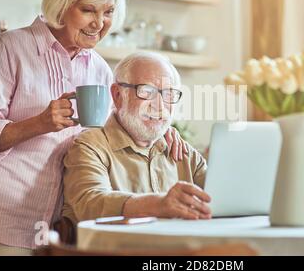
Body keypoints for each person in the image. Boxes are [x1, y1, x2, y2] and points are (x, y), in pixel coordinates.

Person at [0, 0, 185, 256]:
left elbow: (114, 132)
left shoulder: (100, 69)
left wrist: (159, 130)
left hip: (64, 223)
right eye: (88, 10)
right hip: (5, 215)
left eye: (108, 12)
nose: (99, 23)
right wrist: (39, 123)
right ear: (62, 3)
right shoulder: (11, 48)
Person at [63, 52, 212, 224]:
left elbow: (221, 197)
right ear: (118, 95)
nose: (159, 105)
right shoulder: (90, 146)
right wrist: (159, 204)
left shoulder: (183, 152)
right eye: (146, 91)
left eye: (168, 94)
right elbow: (91, 203)